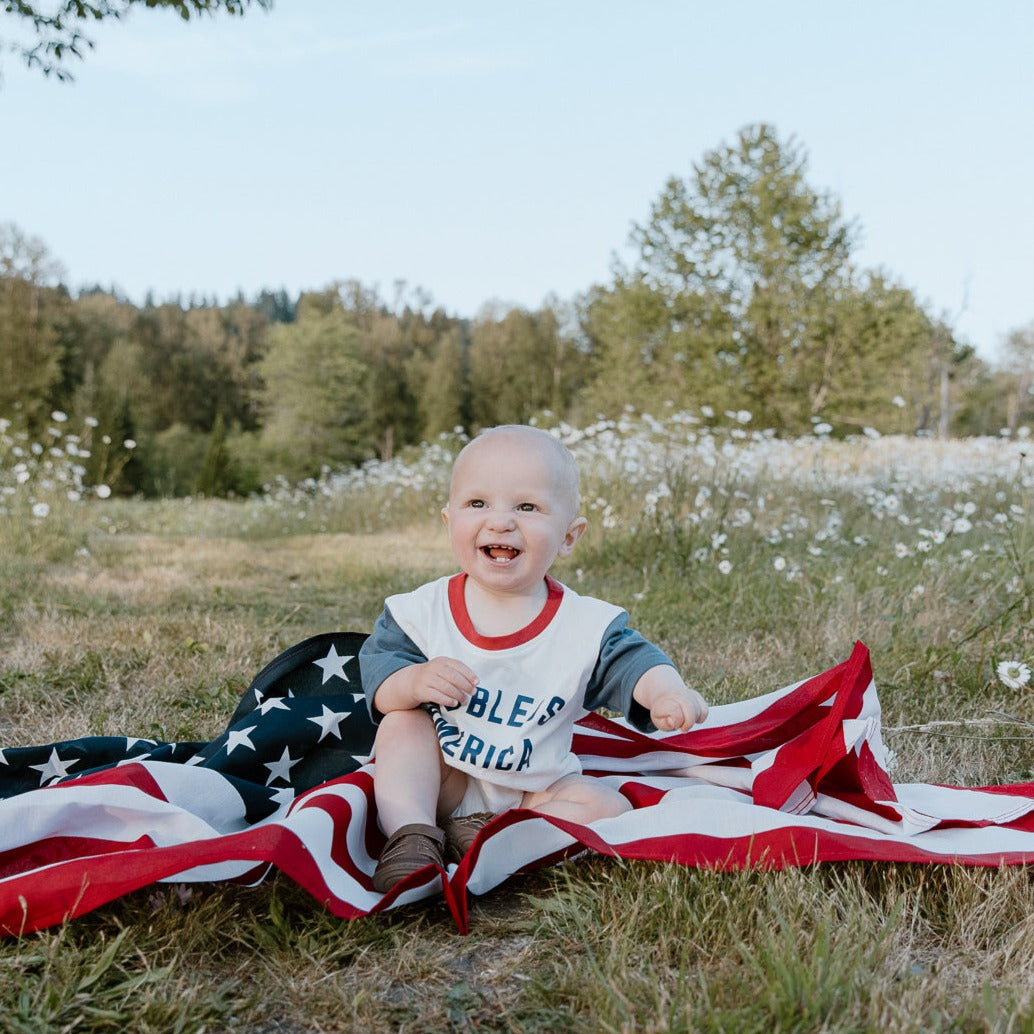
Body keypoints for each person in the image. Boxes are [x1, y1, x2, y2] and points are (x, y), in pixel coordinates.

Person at [358, 424, 709, 892]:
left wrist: (665, 690)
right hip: (445, 777)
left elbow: (632, 661)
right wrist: (414, 680)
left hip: (536, 790)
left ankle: (494, 837)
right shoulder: (423, 611)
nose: (500, 521)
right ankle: (412, 834)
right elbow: (381, 678)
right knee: (402, 726)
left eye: (526, 507)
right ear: (449, 522)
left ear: (568, 536)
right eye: (477, 503)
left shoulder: (582, 625)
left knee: (606, 807)